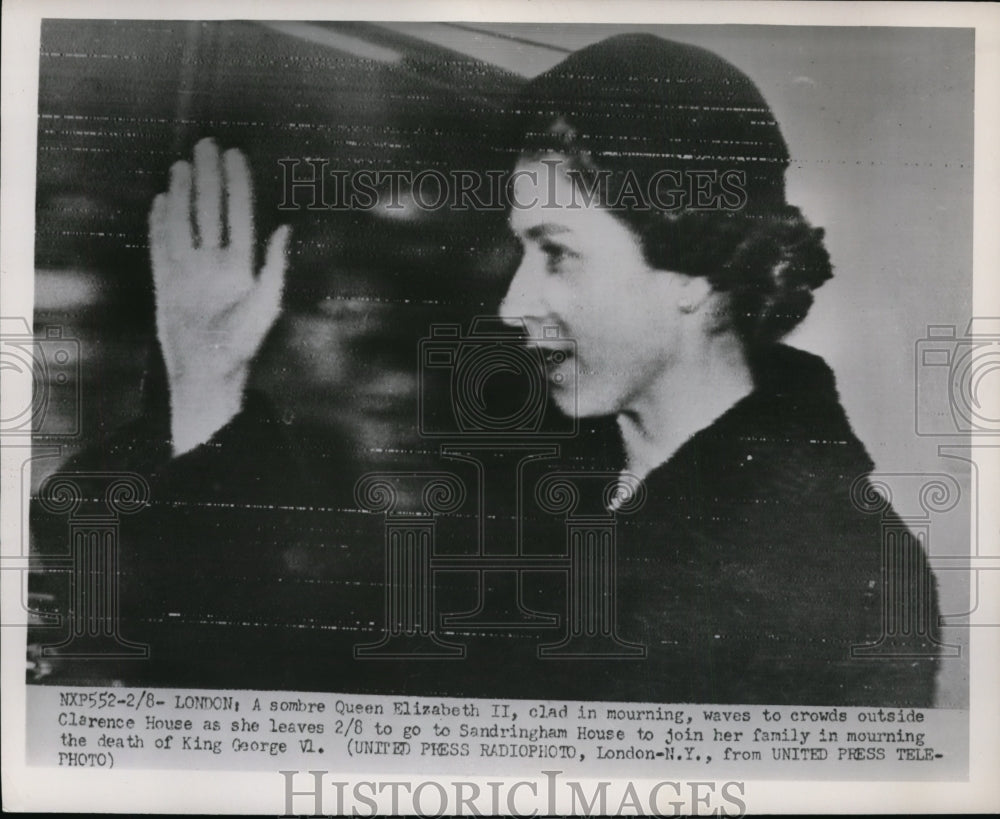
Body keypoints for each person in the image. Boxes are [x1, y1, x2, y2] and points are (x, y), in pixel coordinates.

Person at [29, 33, 941, 705]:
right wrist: (209, 376)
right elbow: (311, 668)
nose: (512, 303)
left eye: (556, 252)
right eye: (518, 251)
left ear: (695, 273)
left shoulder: (834, 568)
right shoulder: (539, 482)